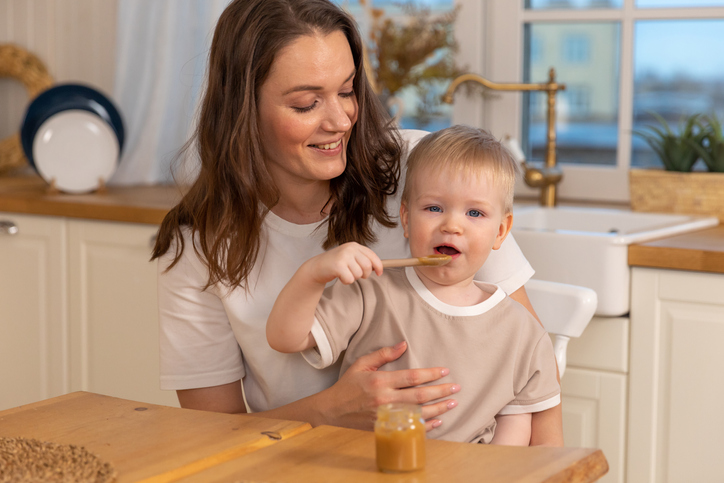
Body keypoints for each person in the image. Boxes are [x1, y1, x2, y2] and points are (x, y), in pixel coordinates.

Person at [152, 0, 563, 445]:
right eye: (307, 104)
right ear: (243, 110)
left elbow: (534, 387)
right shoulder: (196, 244)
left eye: (347, 91)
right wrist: (329, 412)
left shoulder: (421, 169)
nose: (340, 121)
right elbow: (211, 435)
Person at [266, 126, 560, 444]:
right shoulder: (370, 293)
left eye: (474, 213)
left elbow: (520, 433)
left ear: (501, 231)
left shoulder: (522, 333)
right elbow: (285, 338)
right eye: (434, 208)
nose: (452, 225)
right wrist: (313, 274)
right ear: (406, 219)